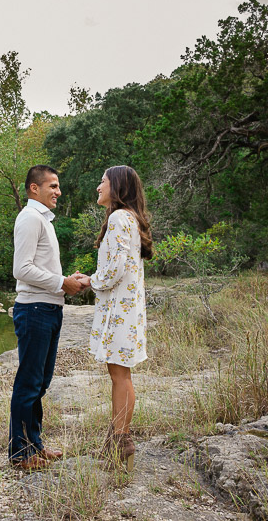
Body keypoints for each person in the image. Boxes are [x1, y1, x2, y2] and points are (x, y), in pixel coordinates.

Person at [9, 164, 87, 470]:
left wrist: (65, 279)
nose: (58, 191)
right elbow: (21, 269)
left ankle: (34, 445)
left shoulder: (44, 220)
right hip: (34, 310)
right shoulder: (29, 218)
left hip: (49, 308)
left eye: (58, 186)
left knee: (39, 383)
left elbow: (38, 268)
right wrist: (61, 283)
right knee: (28, 384)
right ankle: (20, 454)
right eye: (52, 186)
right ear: (34, 189)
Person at [76, 165, 153, 472]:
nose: (98, 187)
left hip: (121, 311)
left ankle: (121, 439)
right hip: (125, 309)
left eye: (103, 182)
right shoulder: (128, 218)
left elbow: (117, 266)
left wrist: (89, 281)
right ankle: (119, 436)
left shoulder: (120, 218)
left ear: (117, 187)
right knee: (122, 374)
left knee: (119, 375)